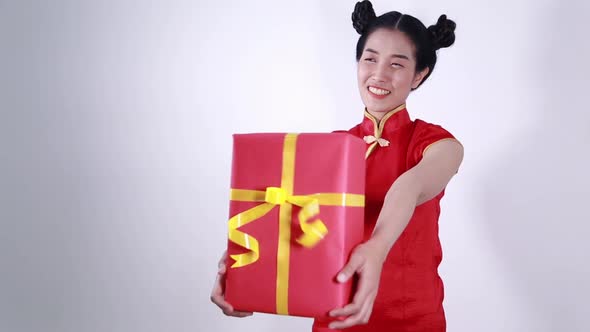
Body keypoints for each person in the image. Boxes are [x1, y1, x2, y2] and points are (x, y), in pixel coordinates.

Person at [211, 1, 464, 331]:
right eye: (370, 59)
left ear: (419, 75)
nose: (379, 74)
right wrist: (240, 263)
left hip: (411, 319)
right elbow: (284, 218)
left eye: (397, 65)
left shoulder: (437, 144)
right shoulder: (330, 147)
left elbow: (408, 187)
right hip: (334, 317)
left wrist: (376, 248)